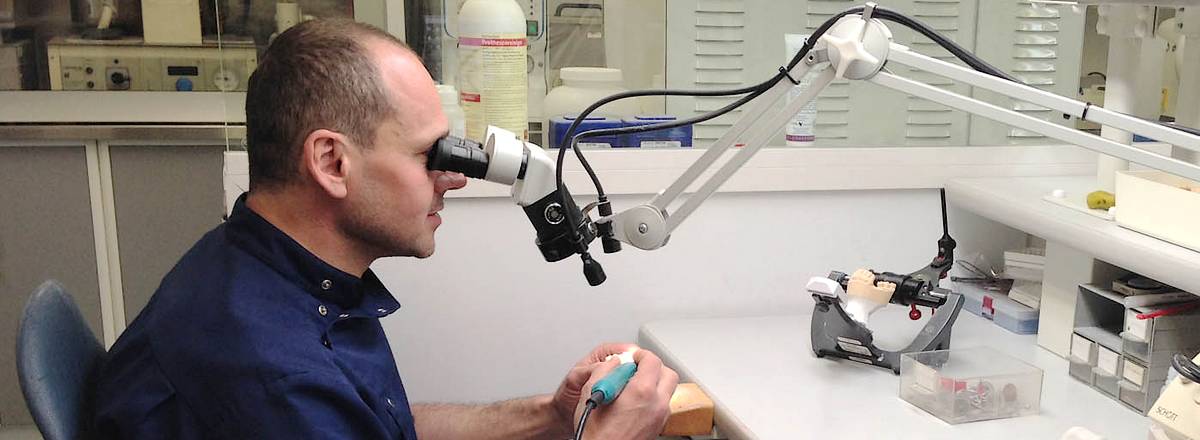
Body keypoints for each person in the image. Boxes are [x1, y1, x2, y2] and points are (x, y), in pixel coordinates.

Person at [93, 18, 678, 439]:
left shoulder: (261, 267)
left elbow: (378, 421)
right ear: (331, 163)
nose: (455, 179)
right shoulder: (271, 374)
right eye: (431, 154)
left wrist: (552, 414)